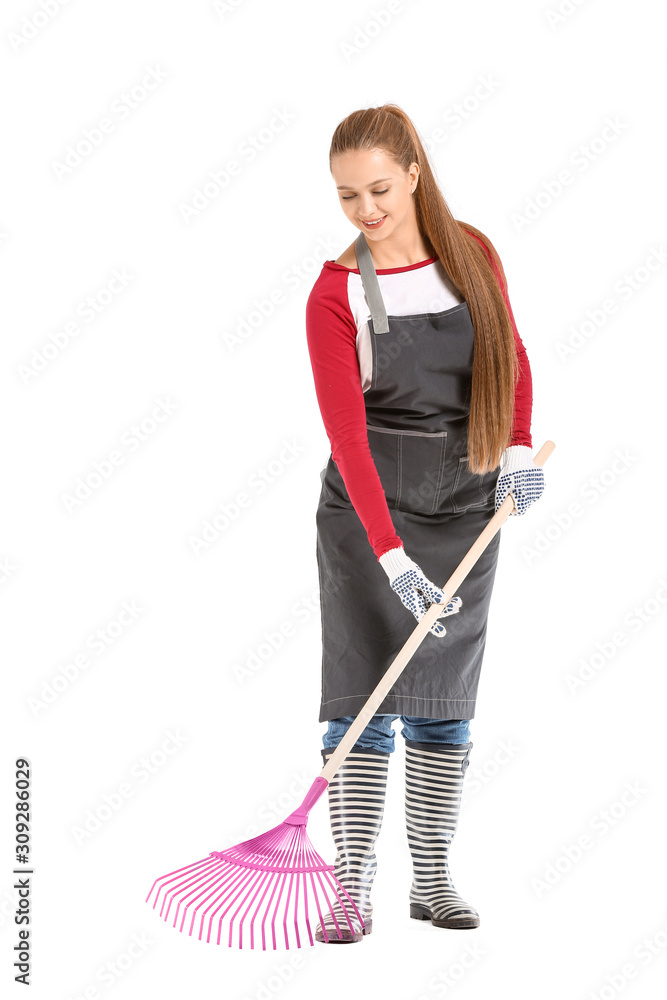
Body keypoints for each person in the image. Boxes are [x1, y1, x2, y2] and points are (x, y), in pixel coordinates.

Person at [304, 104, 544, 943]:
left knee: (443, 700)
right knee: (361, 701)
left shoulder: (471, 253)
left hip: (464, 505)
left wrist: (514, 451)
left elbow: (506, 357)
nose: (365, 210)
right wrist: (390, 557)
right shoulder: (334, 295)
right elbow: (347, 439)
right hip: (367, 514)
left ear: (412, 171)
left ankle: (432, 878)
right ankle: (350, 887)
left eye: (377, 188)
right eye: (345, 197)